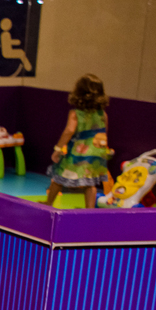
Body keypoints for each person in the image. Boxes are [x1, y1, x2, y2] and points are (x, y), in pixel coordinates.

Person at [45, 74, 112, 209]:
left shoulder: (76, 114)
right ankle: (89, 210)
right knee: (90, 183)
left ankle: (48, 203)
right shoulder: (102, 114)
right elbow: (104, 132)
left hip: (78, 153)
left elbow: (69, 131)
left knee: (59, 177)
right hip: (95, 154)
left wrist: (58, 149)